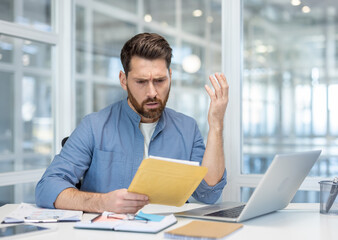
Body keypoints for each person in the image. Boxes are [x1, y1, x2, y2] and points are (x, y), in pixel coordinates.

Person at [35, 33, 229, 214]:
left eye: (160, 80)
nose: (152, 92)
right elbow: (47, 188)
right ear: (123, 80)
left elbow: (209, 194)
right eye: (141, 82)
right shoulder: (94, 126)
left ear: (170, 76)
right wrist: (102, 202)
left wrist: (216, 124)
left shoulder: (187, 128)